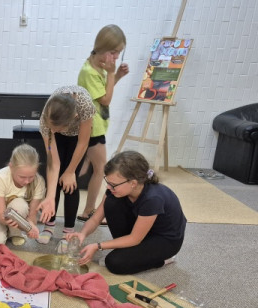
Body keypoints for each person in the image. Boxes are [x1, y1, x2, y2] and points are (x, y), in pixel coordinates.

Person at [67, 151, 186, 274]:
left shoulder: (153, 198)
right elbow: (96, 219)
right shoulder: (118, 190)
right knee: (111, 202)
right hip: (141, 231)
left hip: (164, 240)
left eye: (113, 184)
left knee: (114, 263)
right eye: (108, 182)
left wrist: (98, 246)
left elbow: (135, 239)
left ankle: (164, 260)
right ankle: (128, 250)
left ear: (133, 183)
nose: (108, 187)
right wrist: (83, 233)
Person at [77, 24, 129, 223]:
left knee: (86, 168)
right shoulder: (90, 71)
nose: (116, 57)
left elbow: (103, 91)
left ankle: (87, 208)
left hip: (96, 125)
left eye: (119, 53)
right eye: (114, 53)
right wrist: (113, 73)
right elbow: (106, 100)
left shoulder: (99, 67)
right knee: (101, 170)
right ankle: (89, 211)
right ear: (104, 48)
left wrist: (117, 76)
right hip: (92, 128)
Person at [36, 86, 96, 244]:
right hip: (59, 137)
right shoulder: (47, 120)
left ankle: (68, 231)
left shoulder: (85, 107)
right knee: (53, 183)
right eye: (51, 127)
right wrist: (49, 197)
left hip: (77, 138)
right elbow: (53, 162)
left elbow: (83, 143)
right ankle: (49, 226)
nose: (54, 130)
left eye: (57, 128)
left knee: (70, 183)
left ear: (74, 117)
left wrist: (70, 171)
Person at [0, 144, 45, 247]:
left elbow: (32, 215)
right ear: (11, 167)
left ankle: (14, 233)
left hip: (15, 209)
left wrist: (30, 227)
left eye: (31, 177)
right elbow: (1, 214)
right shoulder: (0, 178)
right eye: (22, 177)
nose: (27, 181)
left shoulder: (39, 181)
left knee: (20, 205)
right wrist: (6, 222)